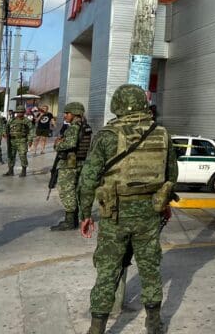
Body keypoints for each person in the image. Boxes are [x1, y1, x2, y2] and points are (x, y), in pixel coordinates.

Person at [78, 84, 177, 334]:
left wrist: (85, 215)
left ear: (118, 105)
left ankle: (97, 327)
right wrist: (164, 204)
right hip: (149, 214)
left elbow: (87, 179)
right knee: (150, 267)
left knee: (108, 269)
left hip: (115, 215)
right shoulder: (161, 133)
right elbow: (171, 174)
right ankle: (154, 323)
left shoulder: (107, 135)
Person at [50, 101, 86, 231]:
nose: (65, 115)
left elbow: (70, 144)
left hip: (69, 165)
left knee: (67, 192)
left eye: (67, 113)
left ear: (75, 113)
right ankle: (74, 219)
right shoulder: (84, 126)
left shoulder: (74, 128)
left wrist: (57, 144)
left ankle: (70, 221)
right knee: (75, 191)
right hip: (78, 163)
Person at [4, 105, 34, 177]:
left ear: (24, 112)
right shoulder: (12, 120)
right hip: (12, 140)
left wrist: (30, 140)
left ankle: (24, 171)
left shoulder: (26, 121)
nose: (20, 114)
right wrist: (4, 133)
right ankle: (10, 170)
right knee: (11, 155)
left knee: (23, 155)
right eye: (18, 112)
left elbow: (31, 130)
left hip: (22, 140)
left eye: (21, 112)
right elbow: (6, 127)